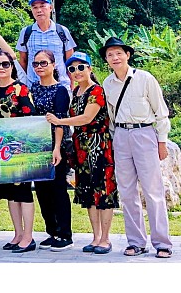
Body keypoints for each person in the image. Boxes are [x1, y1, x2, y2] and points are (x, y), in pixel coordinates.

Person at [102, 36, 173, 259]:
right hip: (121, 135)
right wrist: (114, 141)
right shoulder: (107, 83)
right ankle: (135, 242)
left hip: (145, 133)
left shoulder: (145, 78)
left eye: (118, 53)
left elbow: (161, 112)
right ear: (106, 59)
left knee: (153, 190)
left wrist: (162, 141)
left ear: (127, 55)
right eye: (110, 54)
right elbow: (112, 116)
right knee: (127, 191)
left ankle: (162, 243)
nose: (115, 57)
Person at [47, 51, 118, 255]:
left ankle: (105, 238)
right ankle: (95, 237)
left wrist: (60, 121)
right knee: (88, 192)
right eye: (72, 69)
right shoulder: (76, 92)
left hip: (99, 147)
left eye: (81, 67)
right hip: (82, 149)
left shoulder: (97, 91)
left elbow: (87, 118)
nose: (76, 72)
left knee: (103, 192)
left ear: (90, 68)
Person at [0, 50, 37, 253]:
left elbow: (31, 118)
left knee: (23, 193)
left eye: (5, 64)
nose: (1, 68)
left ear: (12, 66)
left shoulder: (21, 89)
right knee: (9, 194)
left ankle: (28, 236)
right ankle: (18, 234)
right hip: (0, 153)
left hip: (19, 150)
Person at [29, 49, 73, 250]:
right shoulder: (34, 88)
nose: (40, 67)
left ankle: (65, 233)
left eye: (44, 63)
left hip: (56, 145)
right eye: (36, 63)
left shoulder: (61, 90)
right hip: (38, 146)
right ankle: (52, 231)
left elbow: (60, 121)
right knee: (42, 190)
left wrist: (57, 148)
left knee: (58, 190)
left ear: (53, 65)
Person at [16, 0, 75, 89]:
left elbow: (70, 61)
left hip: (61, 85)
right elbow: (23, 61)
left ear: (51, 8)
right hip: (33, 87)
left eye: (43, 6)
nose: (39, 10)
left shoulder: (62, 31)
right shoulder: (26, 32)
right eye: (35, 7)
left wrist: (72, 86)